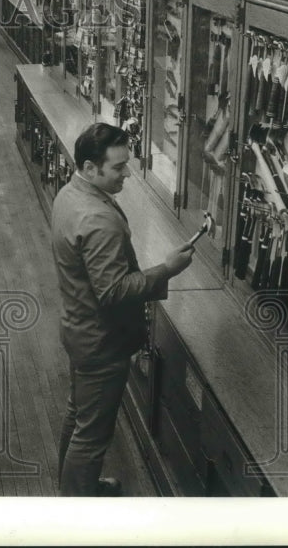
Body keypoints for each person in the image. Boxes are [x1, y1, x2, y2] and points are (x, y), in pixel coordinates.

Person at [52, 122, 195, 496]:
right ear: (89, 167)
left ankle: (73, 488)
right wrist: (167, 269)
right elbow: (113, 291)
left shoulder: (71, 194)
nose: (127, 174)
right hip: (102, 342)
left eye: (126, 164)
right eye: (117, 168)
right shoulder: (97, 219)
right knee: (92, 435)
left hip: (78, 328)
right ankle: (78, 507)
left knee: (79, 414)